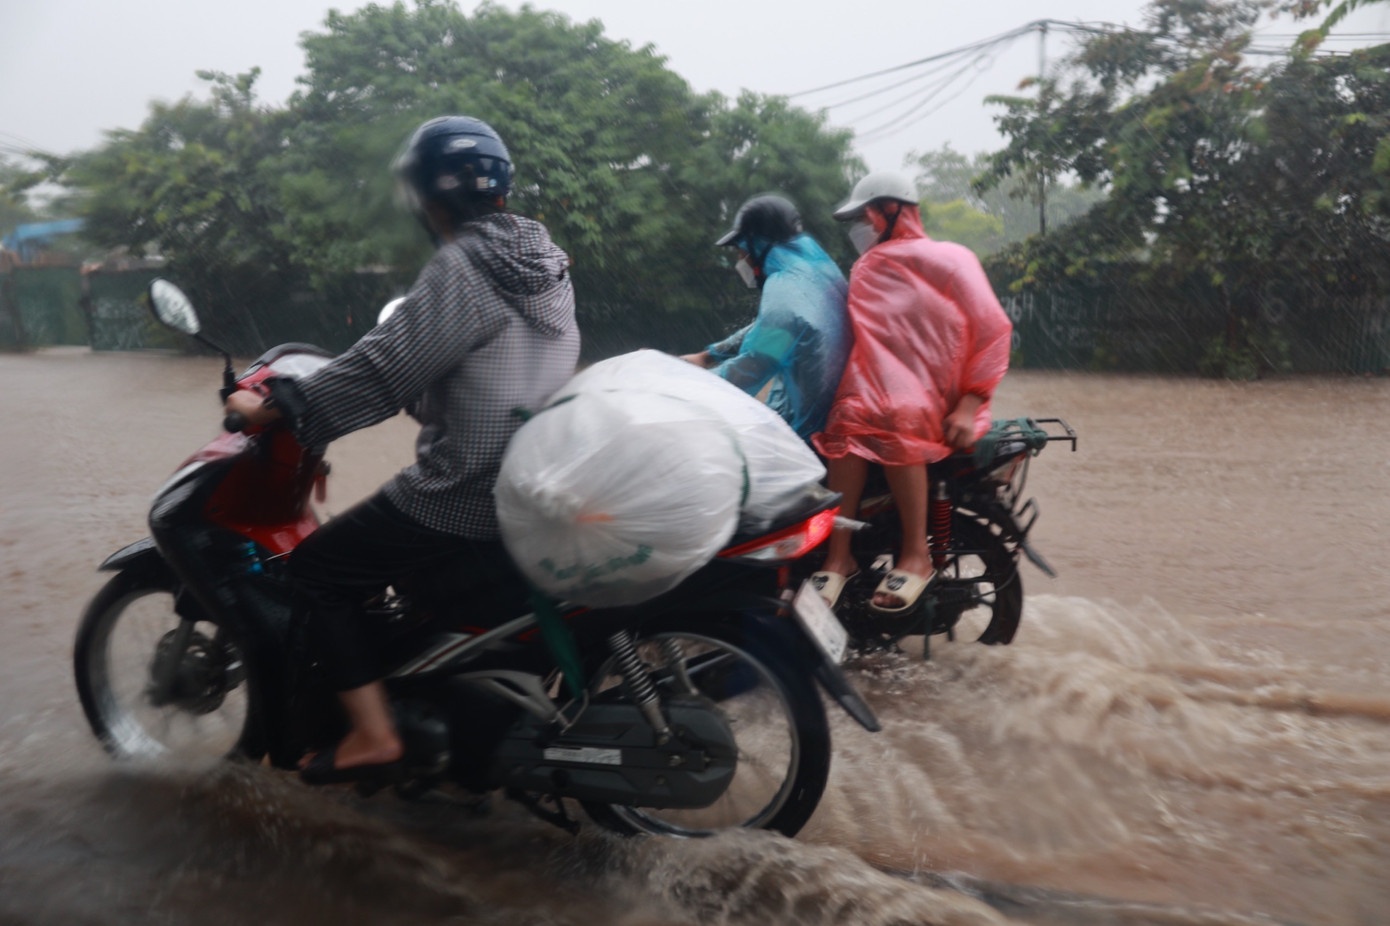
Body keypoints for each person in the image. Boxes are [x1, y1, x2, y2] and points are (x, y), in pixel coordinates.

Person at [224, 115, 580, 783]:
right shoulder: (546, 264)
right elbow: (481, 371)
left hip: (462, 491)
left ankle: (373, 733)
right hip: (528, 477)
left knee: (317, 573)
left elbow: (379, 371)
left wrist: (269, 410)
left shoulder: (464, 267)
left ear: (428, 198)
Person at [809, 170, 1012, 614]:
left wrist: (971, 400)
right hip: (874, 386)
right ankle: (838, 556)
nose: (858, 228)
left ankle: (916, 556)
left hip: (936, 394)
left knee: (897, 416)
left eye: (863, 217)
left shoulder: (951, 259)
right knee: (842, 426)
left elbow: (993, 328)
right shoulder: (865, 268)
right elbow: (867, 342)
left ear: (889, 210)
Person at [681, 194, 851, 440]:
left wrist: (686, 389)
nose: (741, 261)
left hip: (811, 435)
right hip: (827, 411)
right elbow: (769, 328)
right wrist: (707, 356)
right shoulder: (814, 269)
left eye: (741, 252)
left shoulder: (785, 289)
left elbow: (753, 365)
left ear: (757, 245)